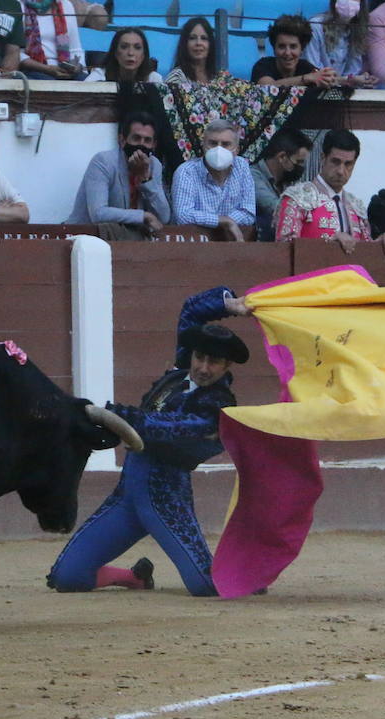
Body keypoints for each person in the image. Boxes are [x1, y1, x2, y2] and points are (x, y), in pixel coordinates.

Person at [47, 288, 250, 598]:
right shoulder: (183, 372)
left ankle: (252, 572)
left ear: (227, 367)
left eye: (215, 362)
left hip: (166, 500)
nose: (204, 368)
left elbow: (167, 428)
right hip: (128, 497)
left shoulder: (219, 404)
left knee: (207, 585)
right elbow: (191, 311)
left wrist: (114, 415)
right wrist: (228, 305)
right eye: (200, 357)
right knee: (68, 576)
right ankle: (134, 577)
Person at [65, 111, 171, 238]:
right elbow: (98, 213)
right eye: (136, 138)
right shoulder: (103, 162)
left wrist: (146, 180)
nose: (141, 145)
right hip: (87, 237)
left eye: (147, 140)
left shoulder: (154, 165)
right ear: (122, 140)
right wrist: (142, 216)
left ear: (154, 145)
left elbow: (164, 217)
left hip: (129, 240)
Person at [274, 128, 372, 250]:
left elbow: (367, 252)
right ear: (323, 158)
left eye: (348, 164)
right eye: (335, 162)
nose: (341, 171)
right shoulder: (297, 198)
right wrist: (327, 245)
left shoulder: (356, 206)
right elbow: (284, 248)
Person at [171, 119, 255, 242]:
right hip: (192, 245)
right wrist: (223, 222)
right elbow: (183, 216)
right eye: (213, 143)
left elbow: (249, 212)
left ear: (236, 150)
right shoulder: (186, 172)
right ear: (203, 146)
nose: (218, 149)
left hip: (231, 243)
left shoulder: (241, 167)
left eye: (226, 144)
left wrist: (225, 223)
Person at [16, 0, 106, 80]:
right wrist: (47, 69)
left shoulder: (65, 5)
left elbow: (75, 49)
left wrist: (77, 67)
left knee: (90, 82)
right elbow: (16, 54)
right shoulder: (18, 6)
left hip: (64, 67)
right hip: (34, 69)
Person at [252, 128, 312, 242]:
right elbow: (276, 207)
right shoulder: (252, 176)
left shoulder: (285, 183)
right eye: (298, 162)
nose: (301, 167)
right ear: (282, 157)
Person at [306, 0, 379, 87]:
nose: (349, 2)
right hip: (315, 91)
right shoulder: (316, 26)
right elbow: (313, 72)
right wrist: (350, 79)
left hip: (342, 93)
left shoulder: (358, 30)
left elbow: (353, 71)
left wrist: (363, 80)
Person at [252, 13, 336, 87]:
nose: (287, 53)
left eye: (293, 47)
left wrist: (344, 80)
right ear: (274, 49)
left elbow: (324, 79)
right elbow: (267, 88)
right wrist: (305, 78)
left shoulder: (305, 66)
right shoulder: (262, 65)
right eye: (281, 46)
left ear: (301, 49)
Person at [83, 26, 162, 82]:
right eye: (124, 47)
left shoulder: (154, 79)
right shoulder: (99, 76)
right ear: (115, 53)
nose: (130, 53)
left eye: (137, 48)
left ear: (144, 54)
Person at [165, 16, 218, 85]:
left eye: (204, 38)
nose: (198, 43)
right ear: (185, 43)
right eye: (192, 38)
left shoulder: (217, 78)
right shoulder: (176, 77)